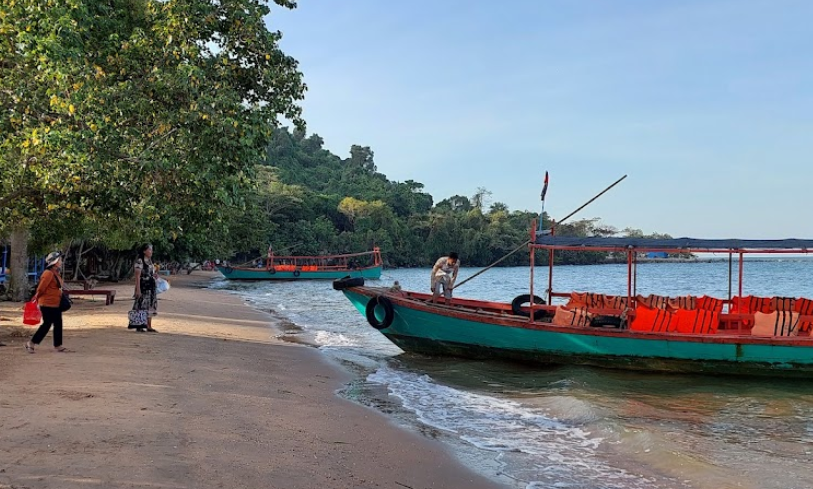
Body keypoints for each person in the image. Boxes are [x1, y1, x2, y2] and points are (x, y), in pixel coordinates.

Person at [25, 251, 68, 353]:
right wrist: (35, 299)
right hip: (47, 304)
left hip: (55, 303)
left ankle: (57, 345)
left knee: (58, 323)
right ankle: (31, 343)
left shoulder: (55, 273)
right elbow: (41, 288)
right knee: (47, 324)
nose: (61, 262)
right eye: (60, 260)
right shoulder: (48, 273)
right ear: (55, 262)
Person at [131, 243, 159, 333]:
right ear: (144, 251)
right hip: (143, 286)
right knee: (141, 305)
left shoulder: (150, 261)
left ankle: (148, 325)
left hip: (151, 287)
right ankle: (139, 325)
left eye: (151, 249)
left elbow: (151, 273)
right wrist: (137, 289)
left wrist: (155, 275)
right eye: (150, 249)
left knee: (150, 305)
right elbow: (137, 276)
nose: (151, 251)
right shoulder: (140, 261)